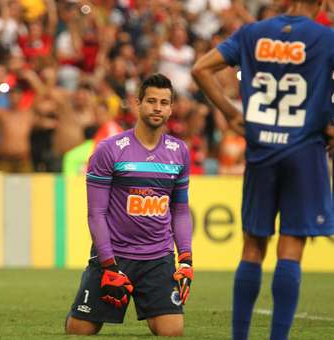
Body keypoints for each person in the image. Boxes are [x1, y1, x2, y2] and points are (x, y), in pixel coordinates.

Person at [191, 1, 334, 339]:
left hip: (261, 150)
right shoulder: (326, 38)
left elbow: (200, 69)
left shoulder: (253, 33)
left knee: (253, 247)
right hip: (304, 151)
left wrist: (229, 112)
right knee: (291, 248)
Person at [65, 73, 194, 336]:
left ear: (171, 108)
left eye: (164, 102)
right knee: (79, 331)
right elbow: (96, 213)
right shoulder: (110, 149)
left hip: (158, 259)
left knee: (173, 331)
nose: (158, 108)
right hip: (115, 256)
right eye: (152, 101)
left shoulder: (179, 151)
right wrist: (109, 266)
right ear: (138, 103)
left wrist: (186, 259)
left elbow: (180, 210)